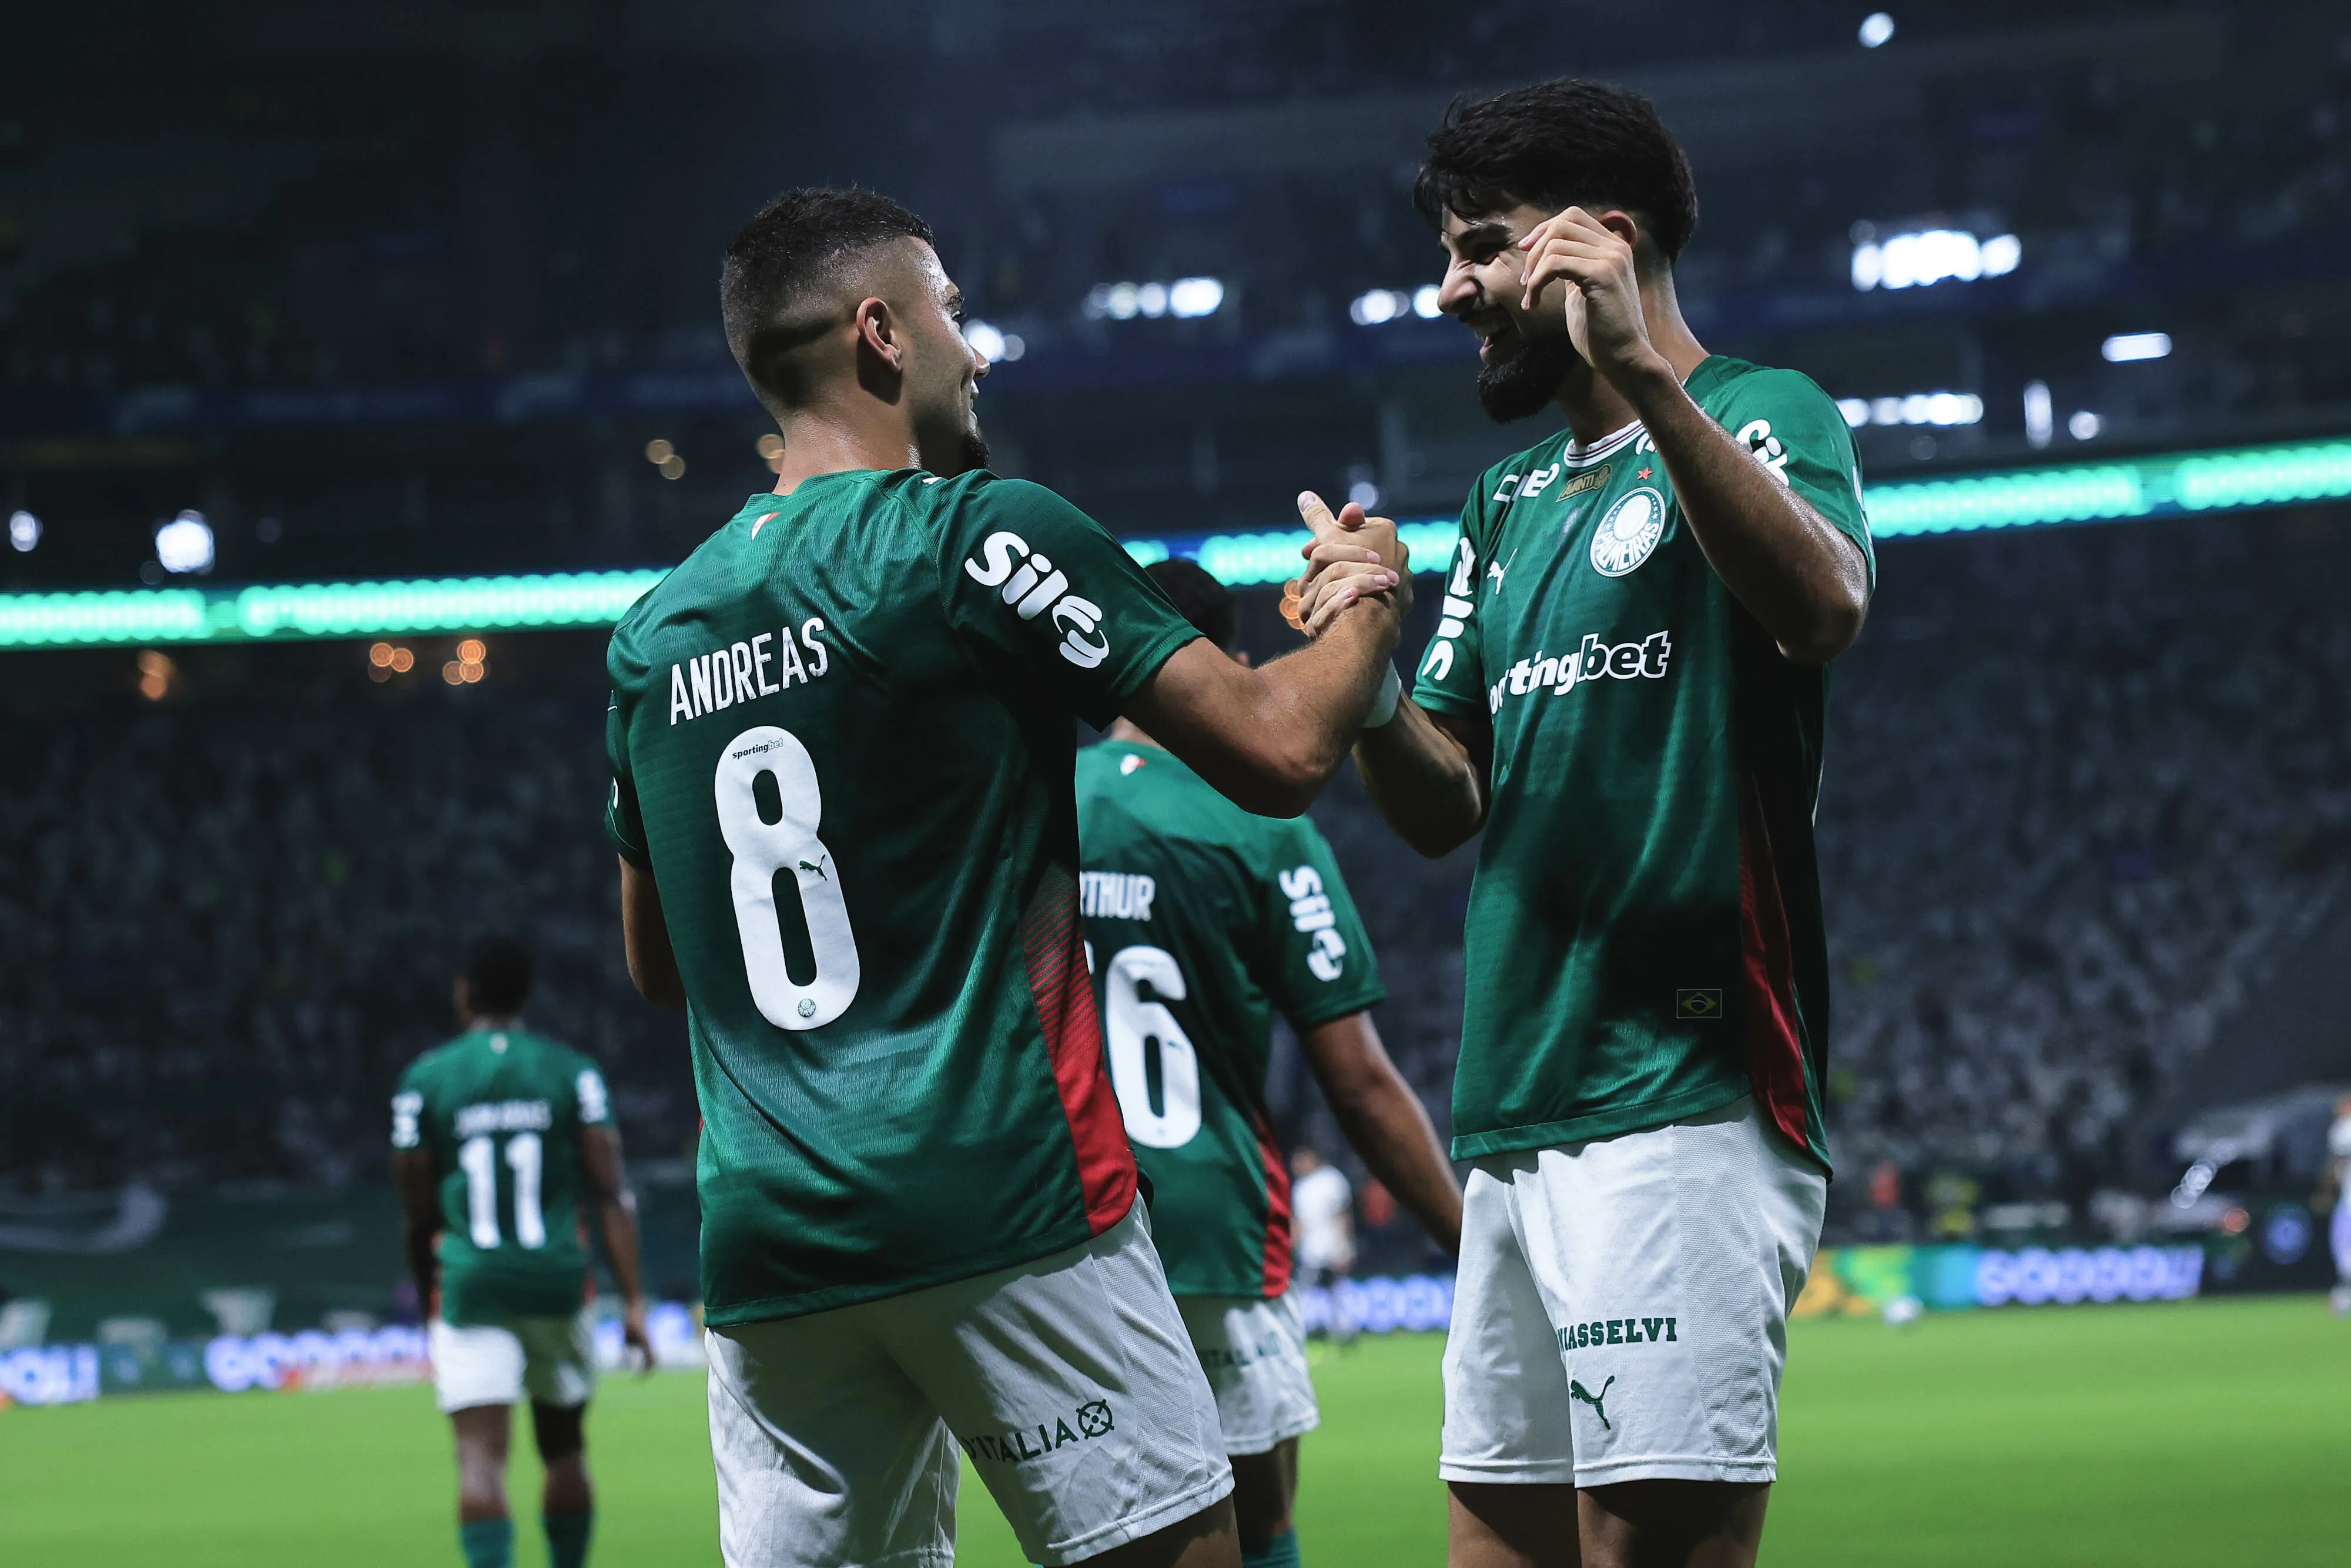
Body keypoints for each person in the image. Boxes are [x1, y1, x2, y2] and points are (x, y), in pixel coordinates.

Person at [604, 187, 1411, 1568]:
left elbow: (661, 961)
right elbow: (1277, 750)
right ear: (880, 335)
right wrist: (1371, 596)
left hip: (773, 1243)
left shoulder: (652, 631)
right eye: (955, 316)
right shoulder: (972, 535)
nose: (974, 352)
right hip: (1006, 1196)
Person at [1293, 79, 1873, 1568]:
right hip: (1514, 1101)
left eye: (1480, 247)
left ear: (1601, 244)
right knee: (1495, 1543)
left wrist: (1649, 381)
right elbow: (1445, 807)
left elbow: (1822, 610)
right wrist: (1360, 672)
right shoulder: (1504, 498)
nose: (1449, 289)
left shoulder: (1762, 411)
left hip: (1680, 1089)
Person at [1077, 559, 1463, 1568]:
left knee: (1104, 1534)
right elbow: (1359, 1080)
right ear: (1232, 665)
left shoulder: (1028, 800)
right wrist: (1469, 1237)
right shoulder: (1256, 822)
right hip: (1210, 1220)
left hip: (1059, 1229)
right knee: (1255, 1524)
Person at [391, 935, 653, 1568]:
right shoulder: (572, 1071)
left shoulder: (426, 1079)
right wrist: (635, 1303)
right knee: (564, 1450)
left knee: (481, 1460)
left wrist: (431, 1295)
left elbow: (418, 1207)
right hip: (558, 1283)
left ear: (465, 992)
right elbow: (611, 1193)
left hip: (473, 1284)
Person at [2318, 1092, 2351, 1317]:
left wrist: (2326, 1192)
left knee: (2342, 1246)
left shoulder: (2345, 1128)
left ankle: (2344, 1295)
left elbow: (2336, 1165)